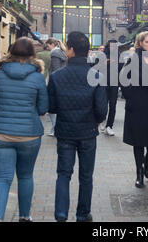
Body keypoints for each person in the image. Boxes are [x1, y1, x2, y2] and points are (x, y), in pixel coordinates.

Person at [47, 31, 107, 222]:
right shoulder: (96, 76)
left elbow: (52, 107)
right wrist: (96, 121)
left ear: (71, 50)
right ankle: (82, 215)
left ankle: (61, 214)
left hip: (65, 131)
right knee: (86, 176)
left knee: (64, 174)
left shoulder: (57, 76)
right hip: (88, 132)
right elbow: (101, 109)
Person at [0, 37, 48, 222]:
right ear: (32, 53)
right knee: (25, 176)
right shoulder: (37, 77)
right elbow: (43, 108)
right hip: (29, 135)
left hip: (0, 134)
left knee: (2, 179)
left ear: (11, 51)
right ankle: (24, 216)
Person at [121, 31, 148, 189]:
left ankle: (147, 162)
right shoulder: (133, 59)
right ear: (140, 43)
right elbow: (122, 80)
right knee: (138, 142)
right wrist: (131, 96)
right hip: (138, 104)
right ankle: (139, 173)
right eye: (147, 42)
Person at [45, 38, 68, 136]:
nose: (47, 48)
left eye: (48, 46)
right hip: (63, 82)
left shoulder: (54, 54)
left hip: (56, 83)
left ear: (52, 45)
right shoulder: (61, 52)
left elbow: (55, 70)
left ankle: (55, 127)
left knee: (51, 106)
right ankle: (56, 127)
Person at [102, 39, 122, 136]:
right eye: (111, 46)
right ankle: (101, 122)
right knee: (103, 105)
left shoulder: (119, 56)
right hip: (103, 83)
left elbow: (122, 70)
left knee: (113, 105)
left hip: (114, 83)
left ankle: (109, 126)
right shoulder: (102, 56)